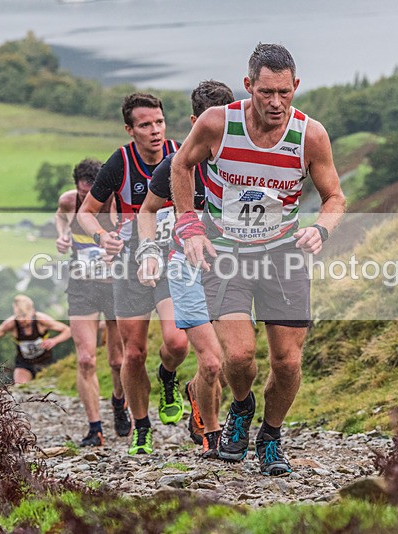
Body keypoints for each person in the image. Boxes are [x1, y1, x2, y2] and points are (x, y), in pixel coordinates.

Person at [169, 43, 345, 476]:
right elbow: (179, 165)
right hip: (226, 255)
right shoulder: (217, 123)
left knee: (287, 361)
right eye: (266, 92)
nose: (276, 102)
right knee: (241, 356)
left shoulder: (311, 135)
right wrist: (189, 226)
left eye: (285, 92)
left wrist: (320, 229)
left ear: (296, 86)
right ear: (248, 86)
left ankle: (270, 435)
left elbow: (335, 198)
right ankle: (242, 408)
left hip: (283, 255)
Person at [77, 93, 189, 455]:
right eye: (145, 125)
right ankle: (142, 426)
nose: (155, 131)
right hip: (130, 264)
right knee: (134, 354)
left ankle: (168, 379)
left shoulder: (182, 153)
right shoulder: (120, 162)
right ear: (130, 129)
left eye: (159, 122)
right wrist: (102, 236)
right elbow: (86, 211)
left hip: (173, 260)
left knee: (176, 342)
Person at [136, 80, 235, 459]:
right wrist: (148, 251)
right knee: (210, 362)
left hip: (230, 268)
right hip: (185, 267)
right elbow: (147, 211)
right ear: (195, 121)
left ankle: (195, 392)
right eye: (210, 123)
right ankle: (212, 436)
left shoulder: (241, 164)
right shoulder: (174, 166)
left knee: (231, 364)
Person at [55, 158, 129, 448]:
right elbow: (61, 217)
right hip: (82, 285)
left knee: (117, 360)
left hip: (115, 286)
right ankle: (94, 427)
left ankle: (119, 401)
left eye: (92, 194)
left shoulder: (115, 203)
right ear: (77, 187)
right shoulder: (68, 201)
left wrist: (117, 252)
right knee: (86, 359)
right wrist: (62, 236)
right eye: (83, 194)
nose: (88, 201)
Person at [0, 294, 71, 384]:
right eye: (18, 316)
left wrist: (54, 340)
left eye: (24, 315)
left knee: (48, 390)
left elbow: (67, 330)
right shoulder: (11, 324)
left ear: (32, 312)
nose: (21, 320)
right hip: (24, 365)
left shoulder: (41, 320)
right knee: (20, 389)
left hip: (46, 362)